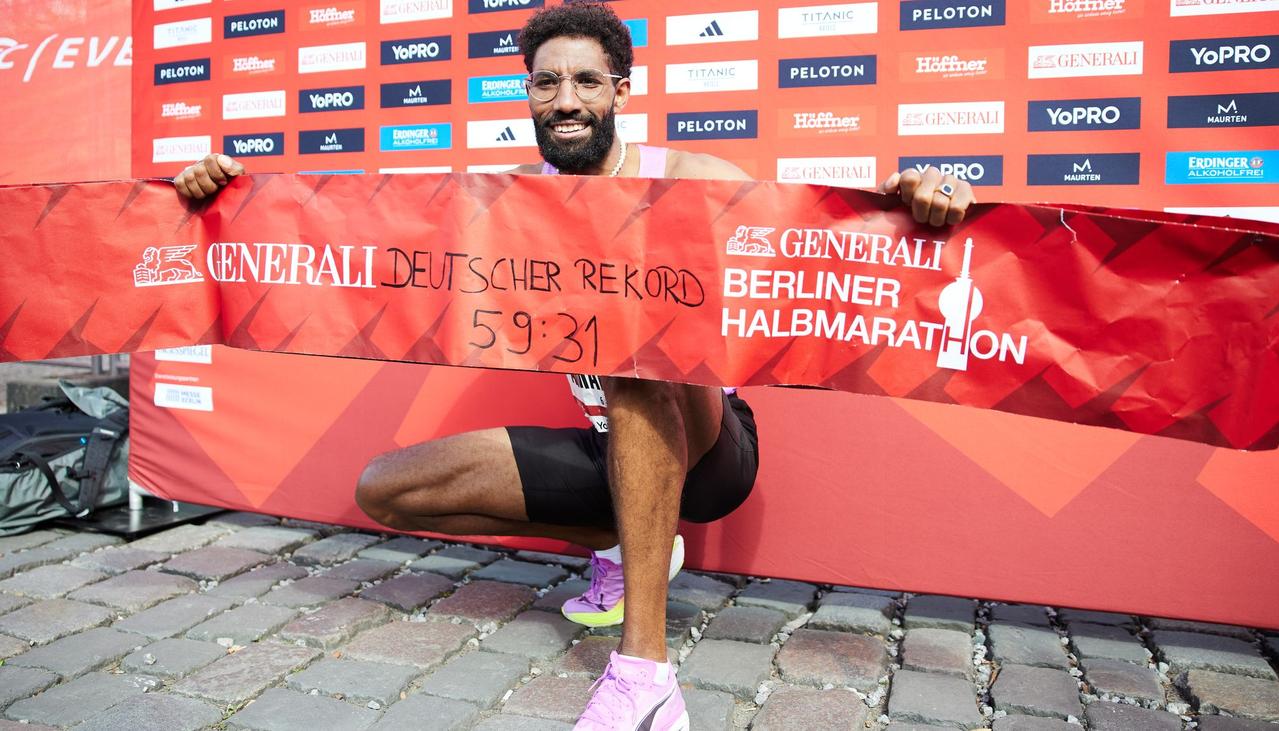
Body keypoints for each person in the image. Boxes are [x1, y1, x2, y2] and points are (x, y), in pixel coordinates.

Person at [174, 4, 974, 728]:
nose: (566, 100)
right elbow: (356, 226)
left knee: (631, 340)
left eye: (586, 81)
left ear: (619, 91)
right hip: (612, 443)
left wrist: (915, 197)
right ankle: (627, 546)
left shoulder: (687, 176)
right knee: (384, 485)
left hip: (711, 447)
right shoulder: (512, 196)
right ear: (527, 93)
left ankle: (644, 677)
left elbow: (823, 227)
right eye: (547, 82)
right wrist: (230, 196)